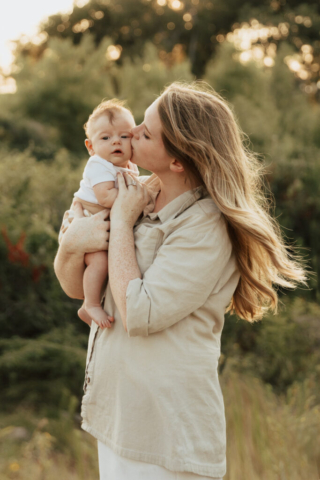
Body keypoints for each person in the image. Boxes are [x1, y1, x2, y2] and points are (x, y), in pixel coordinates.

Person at [54, 81, 307, 480]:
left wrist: (119, 222)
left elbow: (139, 312)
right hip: (117, 417)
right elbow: (74, 287)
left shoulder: (204, 225)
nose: (131, 132)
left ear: (178, 162)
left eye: (146, 132)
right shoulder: (134, 190)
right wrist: (70, 246)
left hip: (166, 437)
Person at [62, 99, 139, 329]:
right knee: (99, 262)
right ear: (91, 146)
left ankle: (93, 302)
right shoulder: (98, 164)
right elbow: (106, 197)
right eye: (105, 138)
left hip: (99, 221)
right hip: (85, 218)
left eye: (124, 136)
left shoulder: (130, 166)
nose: (116, 141)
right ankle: (90, 304)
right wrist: (139, 197)